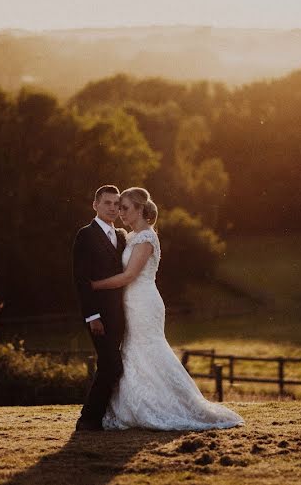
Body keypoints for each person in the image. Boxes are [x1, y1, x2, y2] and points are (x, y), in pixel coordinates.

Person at [92, 187, 244, 431]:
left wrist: (95, 285)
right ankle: (136, 405)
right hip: (131, 302)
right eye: (118, 207)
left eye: (125, 208)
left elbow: (129, 275)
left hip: (143, 301)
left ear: (140, 209)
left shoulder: (146, 238)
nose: (120, 212)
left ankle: (168, 406)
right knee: (133, 350)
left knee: (149, 348)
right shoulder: (131, 237)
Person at [72, 185, 128, 431]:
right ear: (95, 205)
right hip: (99, 316)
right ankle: (88, 418)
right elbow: (81, 279)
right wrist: (92, 316)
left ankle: (99, 417)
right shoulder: (85, 235)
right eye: (108, 203)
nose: (113, 208)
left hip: (122, 314)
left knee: (110, 364)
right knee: (112, 364)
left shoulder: (123, 237)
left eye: (117, 204)